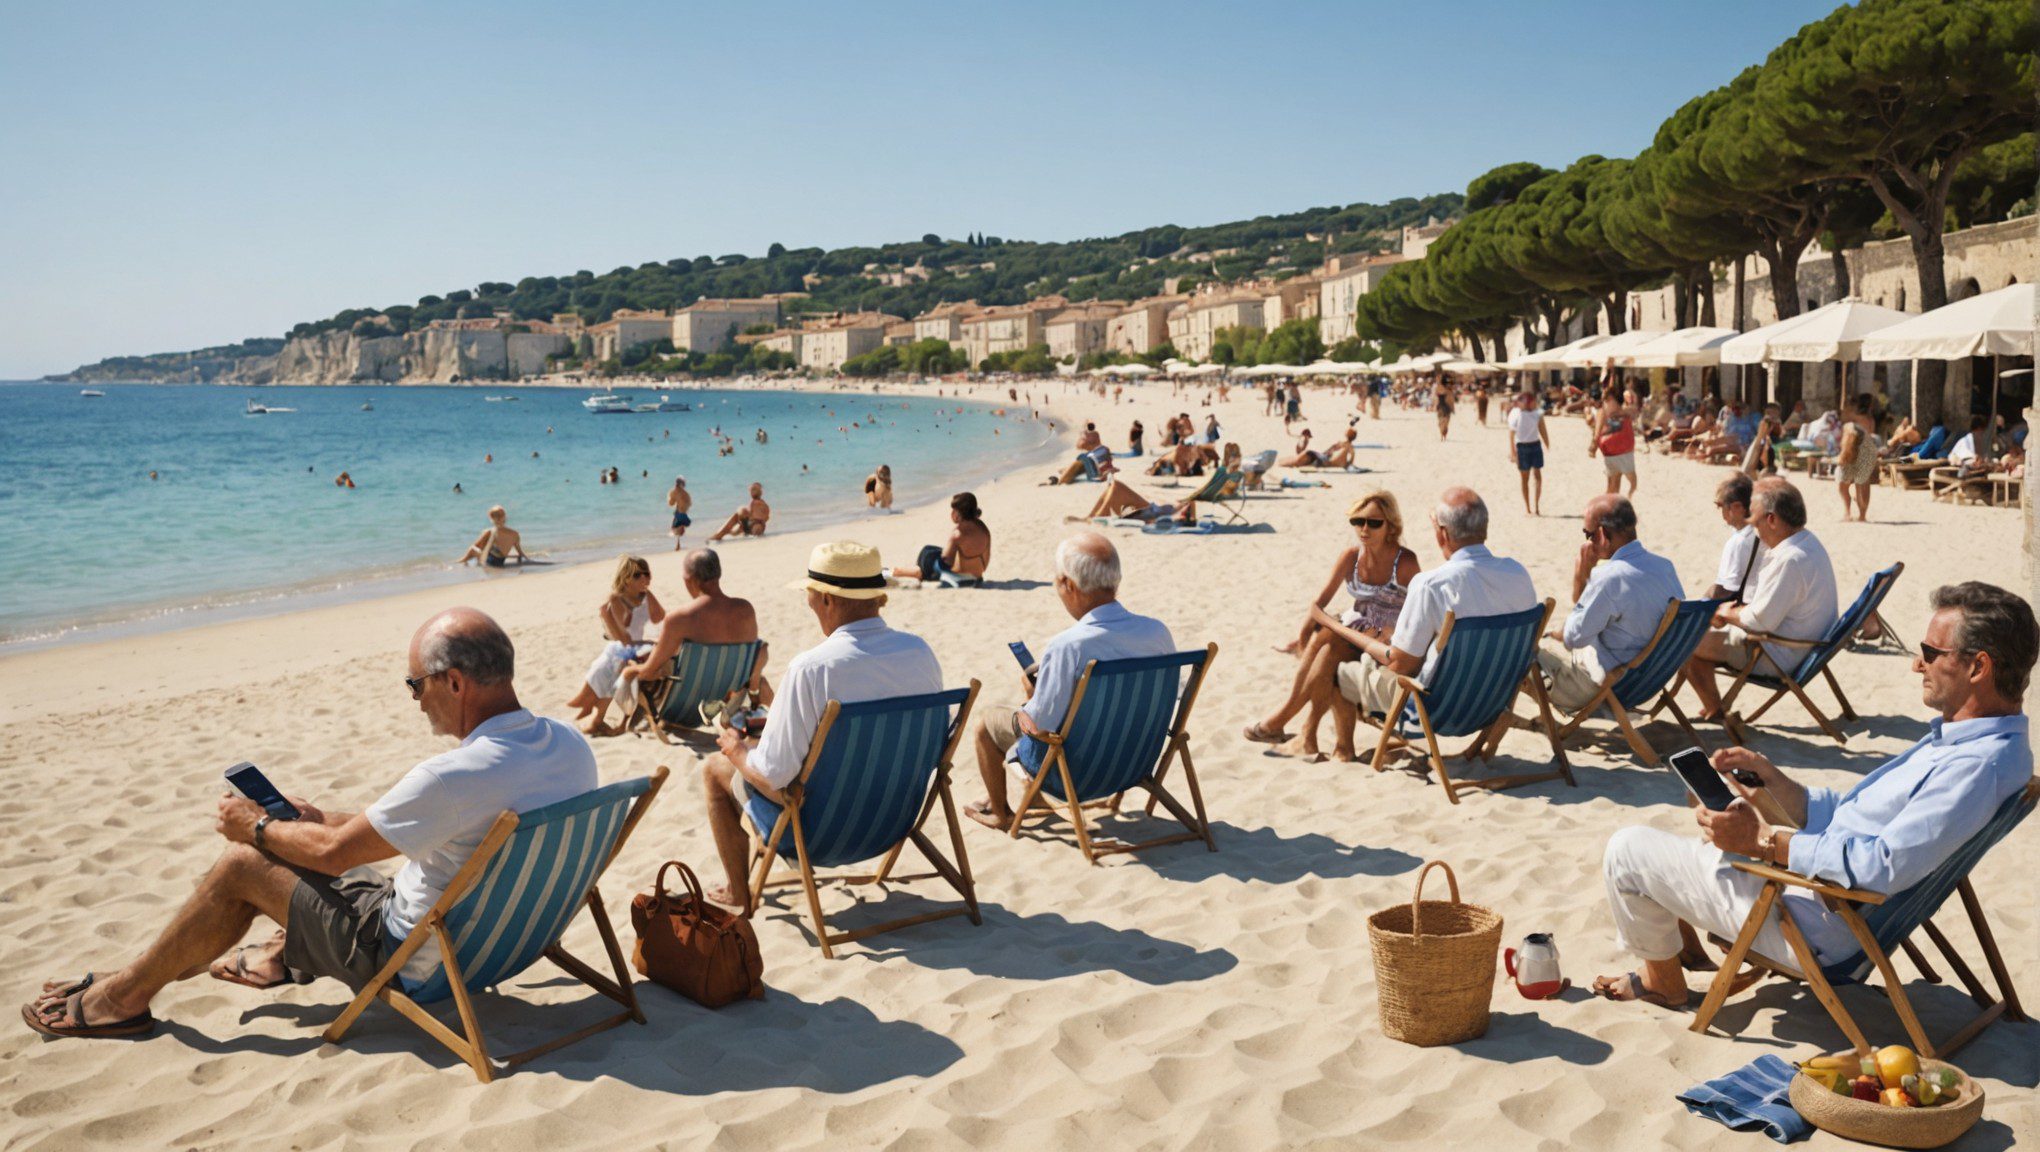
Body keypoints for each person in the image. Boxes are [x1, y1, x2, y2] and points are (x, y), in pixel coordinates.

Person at [21, 609, 595, 1038]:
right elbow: (397, 833)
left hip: (420, 961)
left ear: (453, 683)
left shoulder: (452, 775)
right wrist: (320, 820)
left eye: (413, 684)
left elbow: (332, 858)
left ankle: (121, 999)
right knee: (317, 845)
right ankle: (276, 958)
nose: (415, 700)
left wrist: (255, 828)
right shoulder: (568, 746)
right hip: (507, 942)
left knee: (244, 865)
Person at [1593, 582, 2036, 1008]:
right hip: (1825, 904)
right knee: (1704, 833)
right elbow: (1862, 820)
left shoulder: (1975, 767)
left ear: (1978, 667)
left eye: (1929, 653)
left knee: (1627, 849)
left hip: (1809, 925)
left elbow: (1879, 866)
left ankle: (1662, 984)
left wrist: (1765, 843)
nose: (1916, 665)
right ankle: (1686, 945)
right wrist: (1777, 785)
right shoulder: (1983, 745)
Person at [698, 542, 940, 907]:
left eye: (810, 594)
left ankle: (738, 891)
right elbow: (930, 748)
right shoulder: (919, 652)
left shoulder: (811, 669)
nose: (809, 602)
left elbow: (774, 775)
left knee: (717, 769)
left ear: (826, 599)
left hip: (820, 837)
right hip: (895, 823)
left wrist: (736, 750)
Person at [965, 533, 1175, 829]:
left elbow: (1040, 726)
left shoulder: (1069, 647)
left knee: (986, 723)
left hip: (1076, 777)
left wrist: (1030, 698)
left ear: (1069, 585)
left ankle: (1001, 814)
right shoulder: (1157, 633)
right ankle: (1028, 798)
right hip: (1136, 764)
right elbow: (1167, 699)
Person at [1330, 488, 1539, 748]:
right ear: (1483, 529)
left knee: (1337, 671)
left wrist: (1363, 643)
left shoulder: (1432, 585)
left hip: (1437, 711)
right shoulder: (1517, 573)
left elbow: (1400, 666)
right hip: (1493, 704)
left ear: (1443, 534)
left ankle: (1343, 750)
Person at [1245, 493, 1420, 760]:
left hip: (1385, 641)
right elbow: (1318, 603)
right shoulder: (1351, 557)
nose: (1364, 529)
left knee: (1328, 640)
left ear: (1390, 526)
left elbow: (1420, 611)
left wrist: (1389, 635)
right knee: (1327, 649)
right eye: (1357, 521)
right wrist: (1304, 638)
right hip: (1353, 630)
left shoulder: (1405, 562)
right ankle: (1320, 738)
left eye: (1374, 523)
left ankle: (1292, 722)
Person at [1681, 477, 1837, 721]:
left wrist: (1724, 613)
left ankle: (1716, 710)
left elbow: (1759, 622)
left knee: (1684, 642)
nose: (1752, 526)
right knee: (1698, 634)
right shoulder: (1808, 542)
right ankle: (1714, 705)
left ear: (1772, 520)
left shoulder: (1790, 560)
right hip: (1806, 643)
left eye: (1754, 518)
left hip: (1780, 654)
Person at [1535, 495, 1684, 711]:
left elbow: (1573, 638)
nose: (1588, 542)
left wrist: (1582, 572)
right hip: (1648, 679)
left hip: (1604, 684)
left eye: (1589, 534)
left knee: (1526, 649)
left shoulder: (1608, 577)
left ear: (1603, 534)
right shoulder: (1665, 567)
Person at [618, 548, 769, 718]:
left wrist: (630, 670)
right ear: (718, 574)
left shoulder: (679, 619)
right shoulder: (745, 610)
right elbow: (754, 658)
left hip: (686, 710)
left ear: (691, 580)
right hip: (729, 702)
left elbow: (647, 672)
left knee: (632, 670)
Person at [567, 556, 667, 736]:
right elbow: (623, 638)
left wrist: (649, 593)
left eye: (647, 574)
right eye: (638, 575)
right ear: (626, 577)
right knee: (610, 664)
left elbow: (660, 617)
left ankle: (593, 715)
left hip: (635, 647)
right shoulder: (616, 599)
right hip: (626, 646)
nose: (644, 578)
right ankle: (592, 712)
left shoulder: (644, 596)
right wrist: (607, 617)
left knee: (610, 665)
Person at [893, 492, 992, 587]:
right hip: (978, 575)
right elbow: (985, 562)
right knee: (931, 549)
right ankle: (915, 570)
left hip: (962, 577)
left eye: (954, 510)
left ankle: (907, 572)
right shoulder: (983, 528)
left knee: (926, 553)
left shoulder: (957, 534)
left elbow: (944, 564)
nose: (952, 513)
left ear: (959, 514)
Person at [1706, 472, 1763, 603]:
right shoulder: (1764, 531)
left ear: (1737, 507)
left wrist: (1706, 596)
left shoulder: (1739, 542)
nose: (1720, 511)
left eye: (1720, 505)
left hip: (1744, 611)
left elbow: (1726, 590)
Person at [1835, 394, 1882, 521]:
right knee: (1843, 483)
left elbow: (1855, 434)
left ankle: (1862, 515)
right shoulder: (1857, 417)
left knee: (1861, 482)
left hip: (1864, 449)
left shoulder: (1859, 418)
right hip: (1852, 448)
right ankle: (1848, 512)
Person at [1506, 391, 1550, 515]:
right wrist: (1513, 452)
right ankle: (1528, 508)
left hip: (1535, 445)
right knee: (1524, 479)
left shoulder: (1537, 413)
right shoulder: (1515, 414)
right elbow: (1511, 434)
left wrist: (1547, 443)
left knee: (1537, 477)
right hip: (1522, 448)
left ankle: (1536, 507)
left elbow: (1542, 429)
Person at [1590, 391, 1639, 497]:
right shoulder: (1602, 412)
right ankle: (1609, 506)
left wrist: (1619, 413)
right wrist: (1593, 447)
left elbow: (1634, 410)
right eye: (1604, 400)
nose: (1605, 403)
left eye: (1608, 400)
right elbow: (1597, 433)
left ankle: (1626, 499)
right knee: (1612, 485)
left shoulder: (1625, 411)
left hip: (1624, 452)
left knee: (1632, 483)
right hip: (1610, 453)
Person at [458, 505, 526, 567]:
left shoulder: (491, 531)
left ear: (492, 519)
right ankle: (468, 560)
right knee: (486, 540)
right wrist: (527, 559)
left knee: (472, 548)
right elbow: (520, 553)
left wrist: (482, 558)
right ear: (505, 516)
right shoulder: (515, 533)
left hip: (490, 562)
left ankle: (462, 561)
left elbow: (482, 547)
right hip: (500, 561)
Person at [666, 476, 692, 549]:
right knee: (679, 530)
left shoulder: (674, 492)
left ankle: (677, 545)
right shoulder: (686, 493)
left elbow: (671, 503)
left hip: (680, 513)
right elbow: (689, 503)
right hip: (684, 513)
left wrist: (671, 499)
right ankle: (679, 544)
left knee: (675, 529)